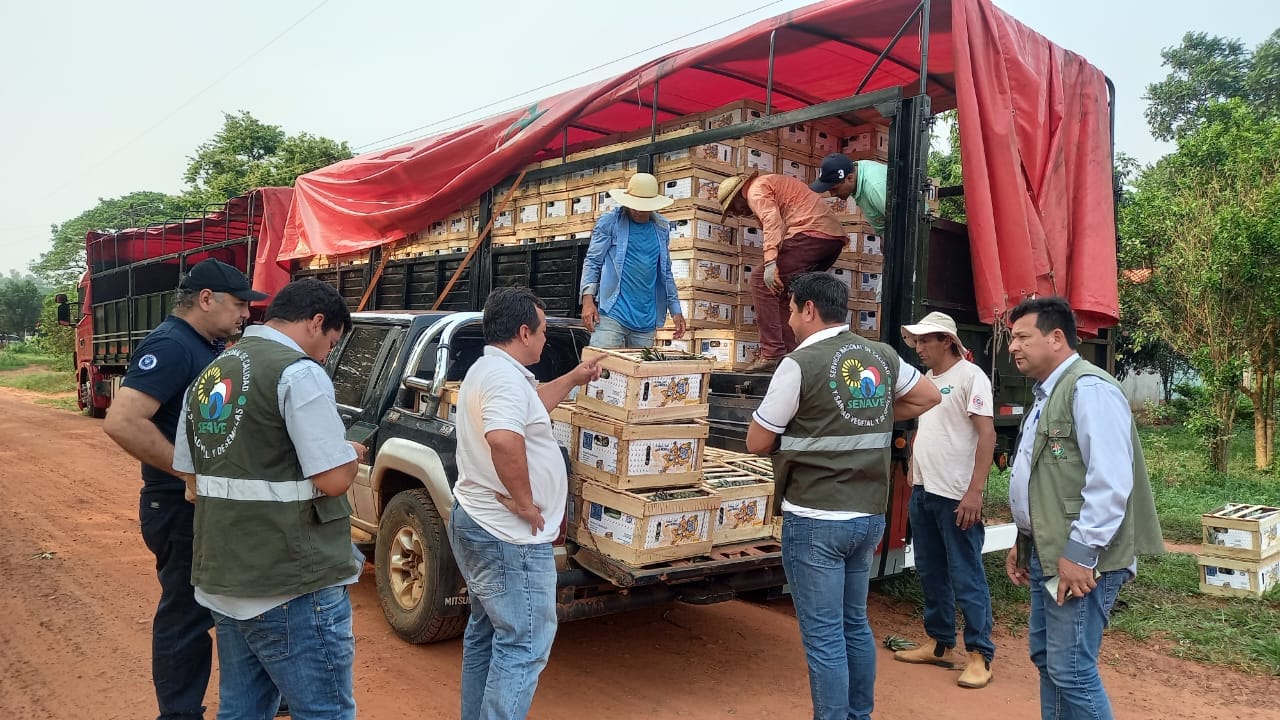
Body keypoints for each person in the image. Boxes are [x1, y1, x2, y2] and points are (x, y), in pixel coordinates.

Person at [744, 273, 941, 720]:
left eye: (792, 309)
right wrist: (871, 421)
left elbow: (758, 441)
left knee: (824, 635)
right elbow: (928, 396)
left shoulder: (799, 363)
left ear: (809, 309)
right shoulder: (881, 355)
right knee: (854, 624)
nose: (790, 319)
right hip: (867, 515)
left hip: (815, 519)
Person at [173, 278, 364, 720]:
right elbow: (334, 481)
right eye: (331, 343)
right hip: (291, 581)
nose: (326, 354)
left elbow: (190, 476)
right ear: (317, 323)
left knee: (243, 709)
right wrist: (350, 455)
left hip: (225, 578)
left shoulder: (212, 373)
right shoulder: (298, 373)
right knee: (326, 711)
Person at [103, 258, 266, 720]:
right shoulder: (173, 345)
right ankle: (178, 714)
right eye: (238, 304)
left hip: (199, 504)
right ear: (206, 299)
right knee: (186, 615)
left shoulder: (204, 345)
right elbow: (122, 420)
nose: (245, 315)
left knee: (222, 606)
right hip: (176, 504)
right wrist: (186, 473)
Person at [1003, 296, 1163, 720]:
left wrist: (1081, 553)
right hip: (1048, 550)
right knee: (1047, 658)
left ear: (1056, 337)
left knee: (1071, 668)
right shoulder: (1045, 393)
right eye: (1010, 338)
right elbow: (1045, 478)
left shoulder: (1089, 389)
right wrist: (1024, 538)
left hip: (1082, 559)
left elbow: (1110, 482)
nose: (1012, 347)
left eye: (1022, 337)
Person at [450, 286, 603, 720]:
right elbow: (502, 437)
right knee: (525, 642)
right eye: (542, 331)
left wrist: (574, 378)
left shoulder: (494, 370)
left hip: (480, 523)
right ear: (523, 332)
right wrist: (525, 502)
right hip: (508, 535)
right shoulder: (501, 378)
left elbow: (531, 406)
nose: (544, 339)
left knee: (487, 633)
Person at [893, 311, 997, 688]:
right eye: (916, 341)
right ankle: (939, 644)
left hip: (956, 496)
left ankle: (979, 654)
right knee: (931, 571)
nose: (919, 348)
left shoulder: (971, 377)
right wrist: (913, 466)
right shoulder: (927, 382)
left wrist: (974, 492)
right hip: (924, 492)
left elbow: (986, 436)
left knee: (966, 574)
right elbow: (926, 425)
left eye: (925, 341)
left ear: (947, 341)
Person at [717, 171, 846, 372]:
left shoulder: (755, 191)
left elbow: (771, 221)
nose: (738, 214)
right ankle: (794, 355)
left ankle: (772, 353)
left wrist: (770, 263)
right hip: (830, 240)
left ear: (737, 198)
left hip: (813, 234)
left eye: (734, 209)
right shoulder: (769, 185)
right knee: (784, 293)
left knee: (761, 281)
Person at [579, 171, 686, 347]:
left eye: (642, 205)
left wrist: (675, 310)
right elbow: (593, 261)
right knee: (598, 368)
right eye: (634, 204)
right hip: (612, 313)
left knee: (640, 372)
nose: (636, 209)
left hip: (645, 319)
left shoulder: (661, 228)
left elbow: (665, 272)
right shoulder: (610, 222)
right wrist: (587, 301)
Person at [810, 154, 888, 237]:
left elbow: (901, 223)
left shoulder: (875, 187)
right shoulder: (855, 172)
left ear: (849, 178)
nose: (832, 194)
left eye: (835, 189)